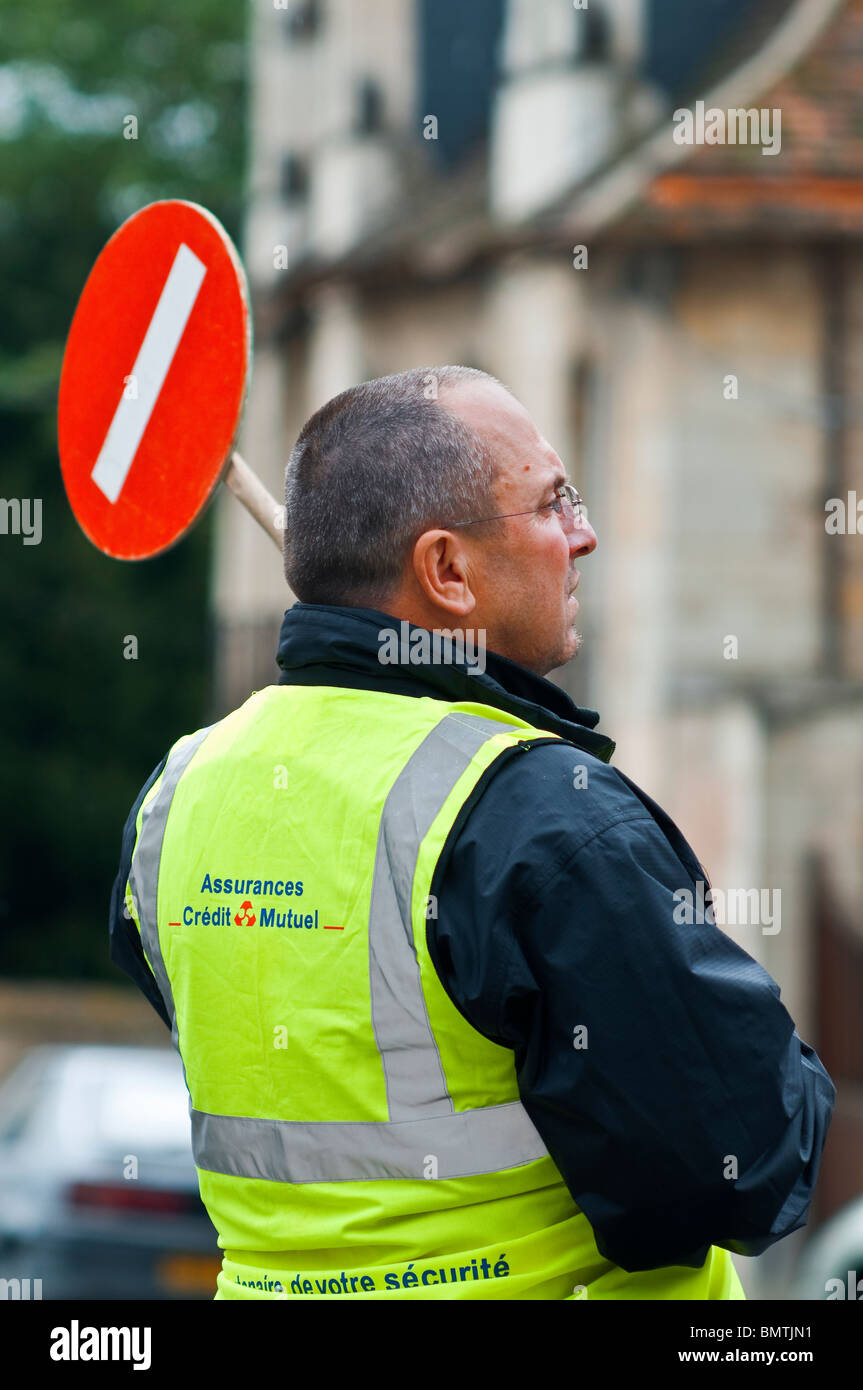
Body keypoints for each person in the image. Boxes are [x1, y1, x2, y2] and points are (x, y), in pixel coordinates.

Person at [109, 365, 835, 1301]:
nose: (585, 534)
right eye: (552, 503)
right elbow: (736, 1164)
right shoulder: (538, 817)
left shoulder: (177, 795)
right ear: (446, 571)